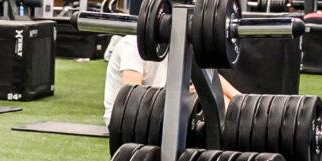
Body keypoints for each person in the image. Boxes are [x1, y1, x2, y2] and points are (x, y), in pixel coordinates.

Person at [103, 34, 240, 122]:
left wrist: (242, 102)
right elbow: (133, 101)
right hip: (126, 119)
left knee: (218, 98)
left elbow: (211, 78)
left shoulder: (175, 44)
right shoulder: (132, 45)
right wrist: (182, 96)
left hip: (161, 110)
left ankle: (241, 117)